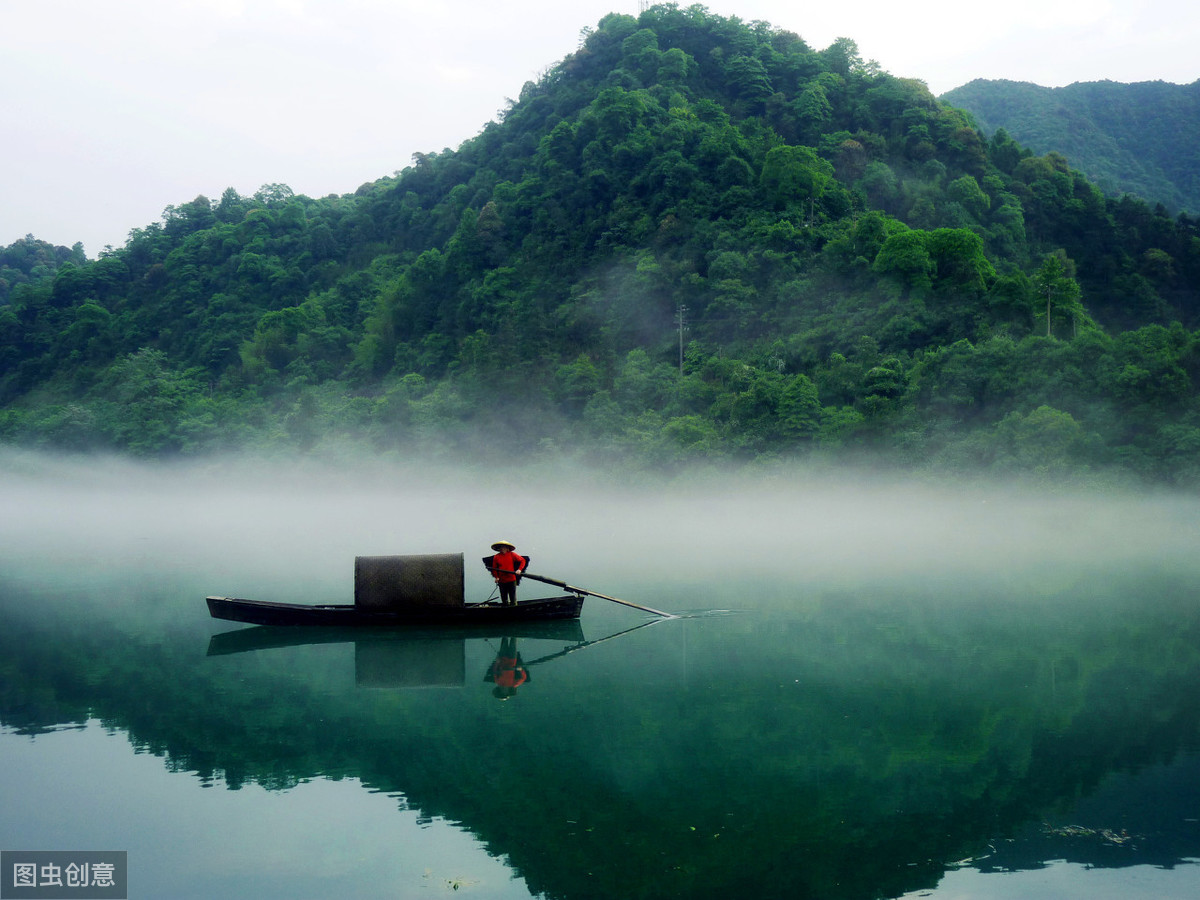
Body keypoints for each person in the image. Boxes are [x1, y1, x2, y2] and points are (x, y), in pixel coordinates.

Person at [487, 539, 527, 606]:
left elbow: (523, 560)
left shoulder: (512, 554)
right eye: (500, 547)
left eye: (503, 547)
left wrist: (519, 569)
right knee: (504, 598)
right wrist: (496, 577)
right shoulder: (496, 557)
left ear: (507, 548)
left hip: (511, 579)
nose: (502, 549)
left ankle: (514, 610)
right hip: (502, 581)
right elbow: (494, 569)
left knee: (513, 598)